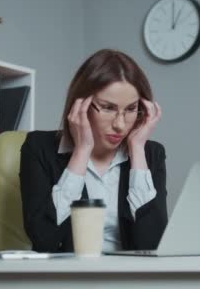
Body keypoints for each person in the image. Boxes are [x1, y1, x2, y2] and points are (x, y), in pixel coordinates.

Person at [19, 49, 168, 253]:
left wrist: (138, 151)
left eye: (131, 109)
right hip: (70, 279)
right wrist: (82, 151)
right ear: (81, 103)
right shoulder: (38, 147)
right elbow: (44, 239)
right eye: (108, 107)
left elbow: (153, 245)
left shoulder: (151, 154)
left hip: (130, 279)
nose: (120, 124)